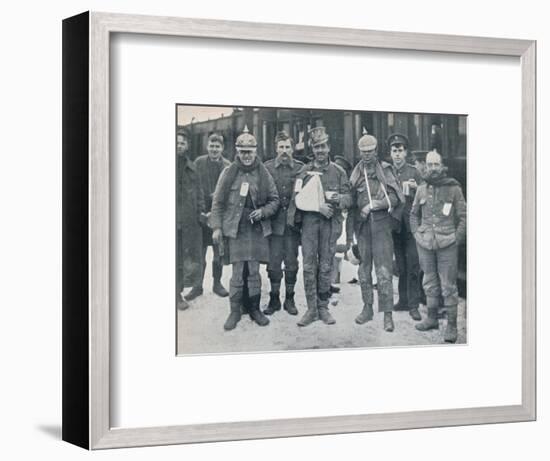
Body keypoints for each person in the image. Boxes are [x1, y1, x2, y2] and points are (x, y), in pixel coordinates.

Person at [210, 126, 280, 331]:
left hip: (256, 228)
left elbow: (274, 200)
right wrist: (216, 227)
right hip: (236, 228)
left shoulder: (263, 172)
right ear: (237, 152)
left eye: (250, 152)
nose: (247, 156)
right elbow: (218, 203)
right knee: (238, 271)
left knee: (254, 271)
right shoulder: (228, 172)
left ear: (256, 151)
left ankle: (255, 309)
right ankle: (234, 311)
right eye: (243, 152)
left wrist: (263, 212)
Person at [289, 126, 351, 327]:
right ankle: (311, 308)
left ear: (329, 147)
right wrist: (317, 207)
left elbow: (349, 199)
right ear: (312, 149)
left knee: (326, 265)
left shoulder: (339, 172)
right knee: (308, 266)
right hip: (309, 226)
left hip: (330, 225)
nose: (320, 151)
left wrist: (339, 198)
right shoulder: (304, 172)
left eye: (323, 146)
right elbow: (296, 199)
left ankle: (323, 307)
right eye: (316, 147)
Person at [347, 130, 403, 332]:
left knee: (384, 271)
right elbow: (350, 201)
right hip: (362, 229)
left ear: (376, 151)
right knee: (363, 271)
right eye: (363, 151)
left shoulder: (385, 171)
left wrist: (375, 205)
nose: (367, 155)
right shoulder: (355, 173)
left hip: (381, 228)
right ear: (359, 152)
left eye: (370, 151)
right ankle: (367, 308)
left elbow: (396, 198)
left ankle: (387, 315)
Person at [410, 150, 467, 343]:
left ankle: (451, 326)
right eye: (429, 164)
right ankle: (432, 318)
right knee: (429, 281)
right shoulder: (421, 189)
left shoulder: (453, 188)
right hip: (425, 242)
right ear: (425, 166)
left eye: (436, 164)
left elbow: (464, 216)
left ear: (442, 166)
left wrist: (456, 238)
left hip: (447, 243)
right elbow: (413, 214)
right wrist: (417, 234)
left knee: (448, 286)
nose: (433, 168)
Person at [185, 133, 231, 301]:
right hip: (201, 214)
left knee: (218, 252)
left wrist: (217, 212)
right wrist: (201, 212)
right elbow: (193, 188)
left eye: (217, 146)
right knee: (200, 252)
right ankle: (197, 286)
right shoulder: (198, 163)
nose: (214, 149)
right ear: (207, 146)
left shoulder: (228, 166)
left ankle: (217, 284)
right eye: (211, 145)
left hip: (219, 216)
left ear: (222, 148)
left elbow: (229, 193)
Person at [263, 131, 304, 316]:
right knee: (273, 263)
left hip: (292, 225)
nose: (284, 151)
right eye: (281, 147)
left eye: (288, 147)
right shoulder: (267, 168)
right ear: (275, 148)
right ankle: (273, 298)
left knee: (291, 262)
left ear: (293, 148)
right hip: (273, 224)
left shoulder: (301, 168)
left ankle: (289, 298)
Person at [387, 133, 423, 321]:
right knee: (400, 265)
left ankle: (414, 305)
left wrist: (417, 188)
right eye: (394, 151)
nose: (398, 154)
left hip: (410, 226)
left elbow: (425, 195)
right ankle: (403, 300)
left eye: (400, 151)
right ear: (390, 153)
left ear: (406, 152)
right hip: (394, 225)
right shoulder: (386, 172)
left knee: (413, 265)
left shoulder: (414, 172)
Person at [175, 127, 205, 311]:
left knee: (179, 258)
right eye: (176, 142)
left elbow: (199, 194)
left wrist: (201, 213)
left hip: (184, 222)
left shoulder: (192, 168)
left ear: (187, 146)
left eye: (182, 143)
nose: (179, 146)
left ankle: (177, 294)